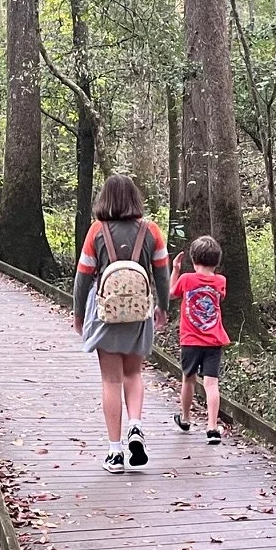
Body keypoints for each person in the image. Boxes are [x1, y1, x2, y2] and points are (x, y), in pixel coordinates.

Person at [72, 175, 170, 473]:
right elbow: (163, 275)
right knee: (134, 373)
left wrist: (78, 315)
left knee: (110, 380)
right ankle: (136, 426)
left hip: (105, 313)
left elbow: (83, 278)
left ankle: (115, 452)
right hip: (139, 313)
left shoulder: (96, 231)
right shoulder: (151, 230)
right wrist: (163, 308)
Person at [170, 235, 230, 445]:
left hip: (190, 338)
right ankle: (212, 428)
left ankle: (185, 419)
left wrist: (176, 269)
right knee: (211, 384)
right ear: (217, 261)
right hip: (214, 339)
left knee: (188, 379)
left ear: (193, 259)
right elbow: (219, 297)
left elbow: (171, 294)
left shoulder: (186, 279)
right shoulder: (220, 281)